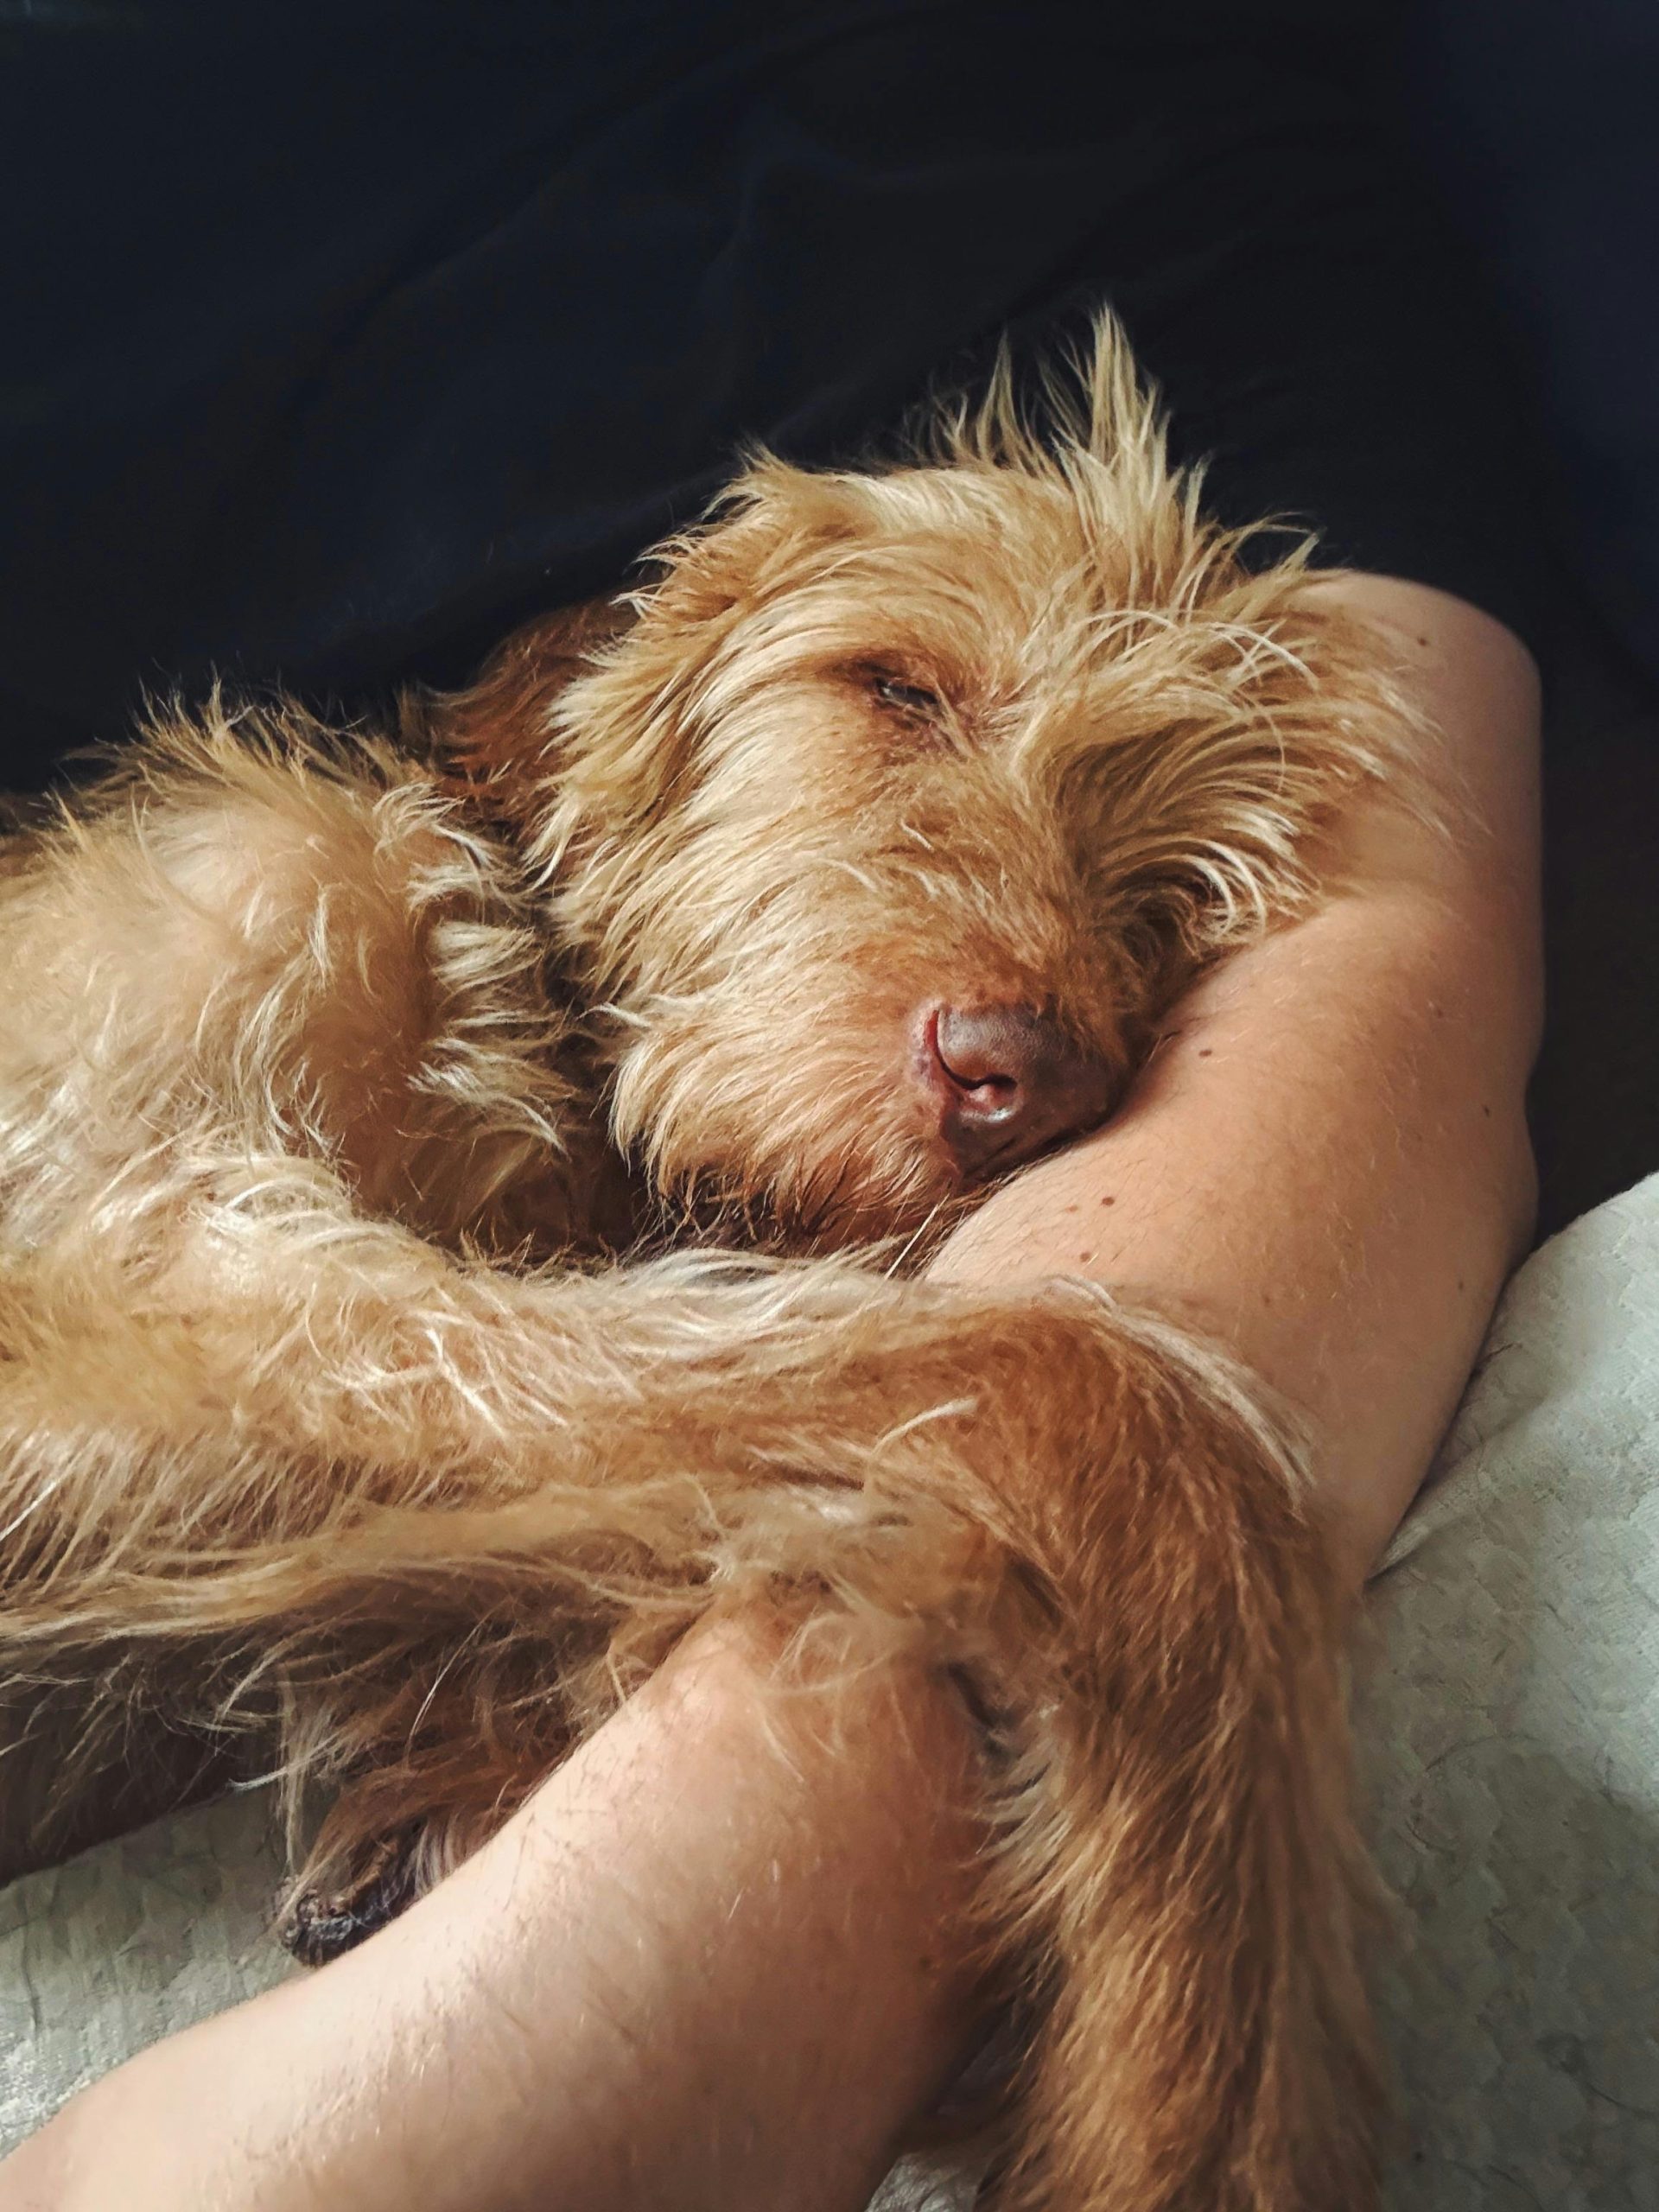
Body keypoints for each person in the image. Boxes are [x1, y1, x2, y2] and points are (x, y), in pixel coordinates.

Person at [0, 4, 1549, 2205]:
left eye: (1138, 916)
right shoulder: (343, 915)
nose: (1040, 996)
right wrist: (1056, 1466)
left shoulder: (1220, 184)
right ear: (579, 721)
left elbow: (1383, 957)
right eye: (901, 701)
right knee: (297, 900)